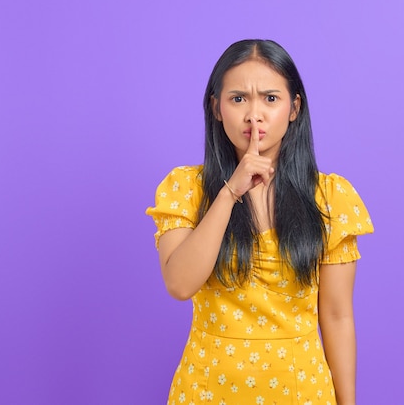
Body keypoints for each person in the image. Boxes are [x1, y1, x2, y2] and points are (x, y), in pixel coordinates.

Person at [146, 39, 373, 405]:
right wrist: (229, 193)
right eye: (238, 99)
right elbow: (179, 284)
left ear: (294, 107)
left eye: (270, 98)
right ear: (216, 108)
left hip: (303, 393)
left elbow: (336, 315)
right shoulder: (186, 188)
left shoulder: (331, 197)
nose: (255, 115)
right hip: (206, 391)